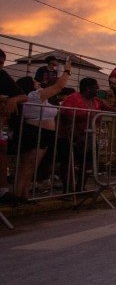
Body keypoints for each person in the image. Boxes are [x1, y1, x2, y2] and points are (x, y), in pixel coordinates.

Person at [12, 58, 72, 200]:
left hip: (43, 134)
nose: (38, 83)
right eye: (35, 82)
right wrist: (67, 70)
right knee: (28, 165)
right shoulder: (32, 96)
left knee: (32, 166)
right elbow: (59, 86)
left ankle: (24, 194)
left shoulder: (40, 98)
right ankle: (17, 195)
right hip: (35, 132)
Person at [59, 78, 116, 192]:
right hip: (70, 135)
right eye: (96, 88)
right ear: (88, 89)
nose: (98, 90)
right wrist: (76, 136)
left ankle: (81, 187)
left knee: (88, 162)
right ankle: (67, 189)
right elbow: (66, 117)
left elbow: (107, 107)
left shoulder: (96, 100)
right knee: (68, 162)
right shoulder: (73, 99)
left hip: (89, 135)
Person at [0, 49, 28, 204]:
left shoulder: (2, 75)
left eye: (2, 63)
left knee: (2, 150)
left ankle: (2, 191)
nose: (0, 66)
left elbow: (23, 95)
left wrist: (13, 100)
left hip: (1, 123)